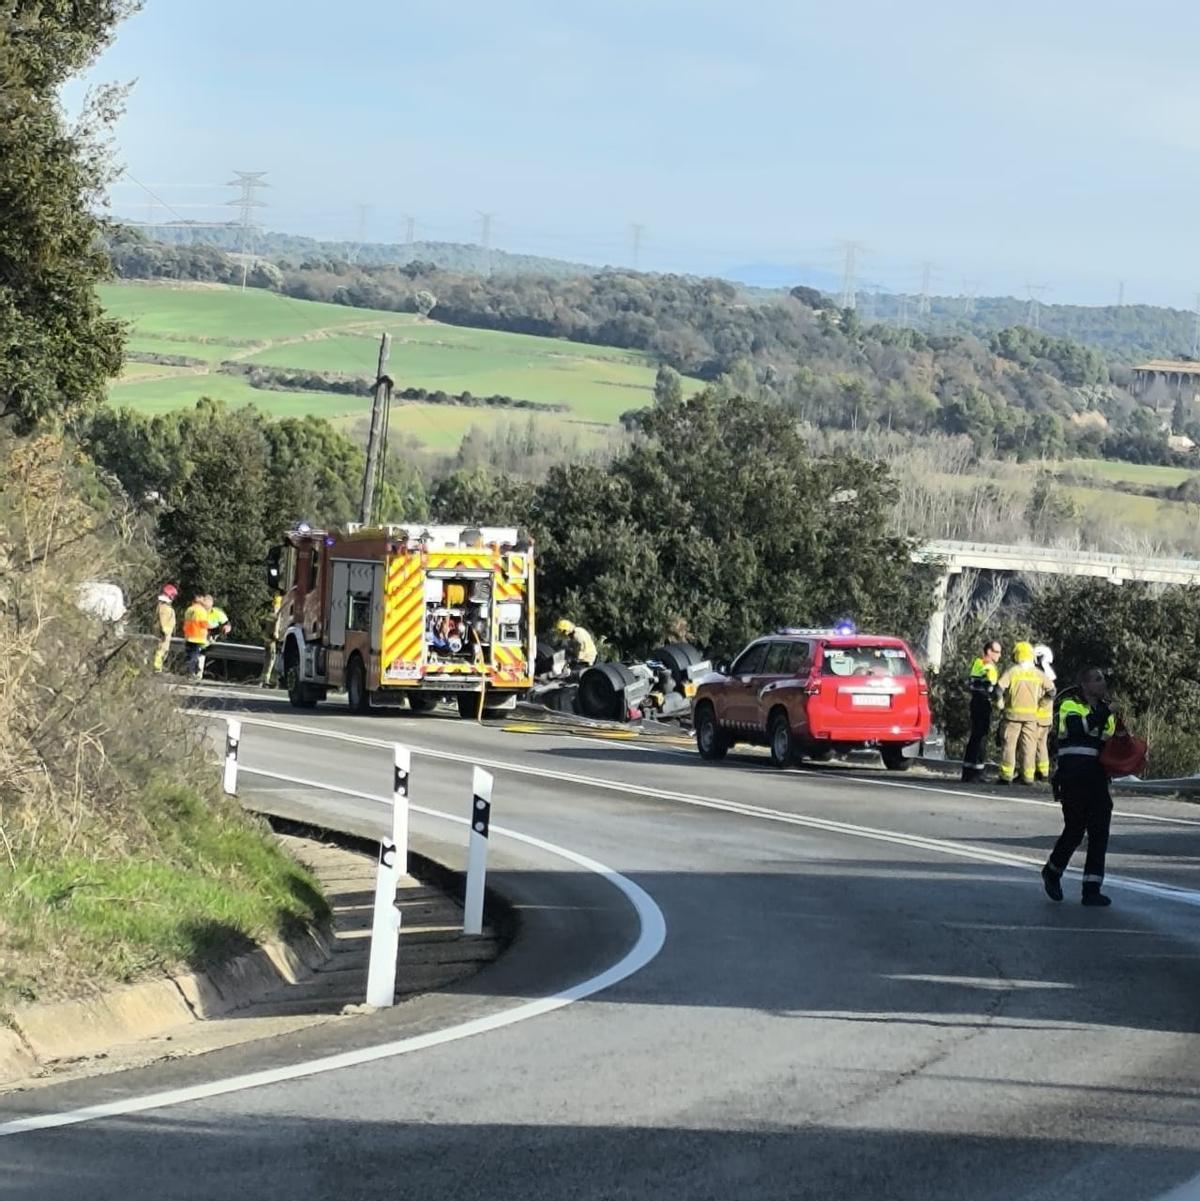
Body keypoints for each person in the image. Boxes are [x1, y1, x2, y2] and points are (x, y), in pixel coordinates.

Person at [1041, 667, 1116, 907]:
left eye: (1103, 679)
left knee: (1099, 830)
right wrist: (1104, 712)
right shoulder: (1070, 706)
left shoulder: (1107, 712)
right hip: (1072, 776)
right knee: (1075, 829)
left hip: (1097, 777)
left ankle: (1092, 889)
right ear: (1084, 684)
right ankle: (1052, 871)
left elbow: (1111, 742)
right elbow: (1077, 729)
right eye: (1097, 679)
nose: (1102, 682)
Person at [996, 641, 1054, 785]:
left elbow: (999, 688)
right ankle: (1028, 777)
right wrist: (1043, 703)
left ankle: (1006, 776)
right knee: (1029, 747)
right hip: (1032, 718)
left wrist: (999, 702)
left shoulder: (1012, 672)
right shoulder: (1038, 674)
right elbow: (1052, 691)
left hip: (1012, 716)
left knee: (1009, 746)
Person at [961, 639, 1002, 782]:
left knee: (974, 737)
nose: (999, 656)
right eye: (997, 652)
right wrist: (998, 696)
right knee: (981, 737)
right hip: (983, 703)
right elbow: (990, 688)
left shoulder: (977, 663)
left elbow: (970, 683)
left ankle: (967, 772)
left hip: (975, 702)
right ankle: (978, 772)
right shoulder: (988, 667)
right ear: (989, 652)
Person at [1033, 643, 1057, 781]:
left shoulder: (1042, 674)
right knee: (1041, 744)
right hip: (1046, 717)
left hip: (1038, 716)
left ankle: (1038, 772)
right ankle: (1042, 771)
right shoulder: (1049, 673)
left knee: (1034, 744)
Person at [182, 592, 210, 680]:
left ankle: (189, 672)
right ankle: (191, 673)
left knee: (190, 655)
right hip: (198, 637)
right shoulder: (201, 610)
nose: (204, 600)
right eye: (203, 598)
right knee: (194, 656)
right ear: (198, 598)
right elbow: (204, 624)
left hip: (188, 635)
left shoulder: (189, 609)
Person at [152, 583, 178, 673]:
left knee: (163, 650)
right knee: (161, 650)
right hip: (164, 632)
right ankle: (157, 668)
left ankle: (158, 667)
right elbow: (163, 620)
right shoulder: (164, 607)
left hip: (166, 632)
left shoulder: (164, 606)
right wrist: (164, 631)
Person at [261, 594, 282, 687]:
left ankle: (264, 679)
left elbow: (262, 624)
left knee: (267, 660)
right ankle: (268, 681)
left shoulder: (268, 615)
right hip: (272, 642)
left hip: (266, 641)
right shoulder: (277, 617)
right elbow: (276, 633)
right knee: (271, 661)